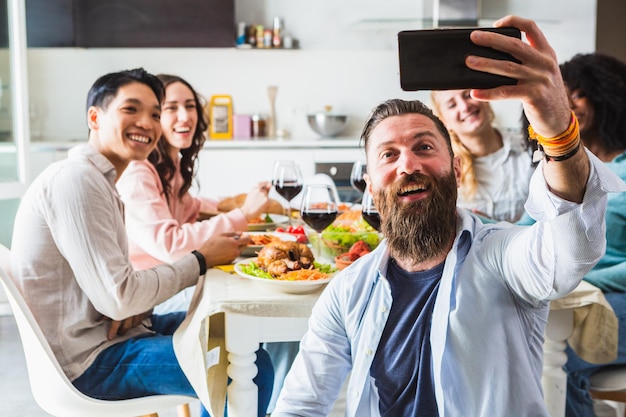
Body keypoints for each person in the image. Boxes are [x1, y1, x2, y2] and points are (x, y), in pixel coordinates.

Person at [272, 16, 626, 417]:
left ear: (456, 169)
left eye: (424, 147)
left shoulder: (503, 258)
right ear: (370, 187)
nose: (408, 164)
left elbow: (570, 248)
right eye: (389, 154)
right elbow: (300, 406)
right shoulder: (347, 291)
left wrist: (558, 129)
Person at [9, 68, 272, 417]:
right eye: (130, 109)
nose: (146, 123)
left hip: (109, 334)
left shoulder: (99, 182)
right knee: (248, 368)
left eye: (153, 113)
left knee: (232, 327)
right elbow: (119, 298)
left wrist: (134, 305)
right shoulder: (76, 181)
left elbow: (113, 293)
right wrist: (200, 260)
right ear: (94, 117)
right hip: (90, 363)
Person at [114, 73, 279, 414]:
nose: (185, 117)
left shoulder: (168, 166)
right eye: (171, 108)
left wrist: (237, 203)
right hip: (147, 301)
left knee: (245, 332)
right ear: (155, 118)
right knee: (242, 337)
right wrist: (244, 212)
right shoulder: (139, 172)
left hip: (162, 292)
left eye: (190, 106)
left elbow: (191, 206)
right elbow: (171, 244)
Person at [557, 52, 626, 417]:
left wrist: (580, 276)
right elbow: (525, 231)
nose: (568, 104)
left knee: (552, 348)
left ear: (608, 98)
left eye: (579, 93)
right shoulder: (563, 171)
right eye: (563, 94)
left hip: (617, 298)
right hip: (578, 298)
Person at [430, 89, 535, 222]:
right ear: (444, 122)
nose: (464, 107)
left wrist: (486, 224)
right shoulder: (445, 171)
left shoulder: (530, 146)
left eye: (468, 95)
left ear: (485, 99)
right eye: (452, 105)